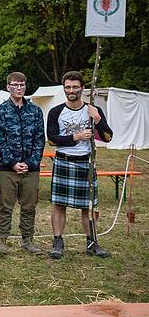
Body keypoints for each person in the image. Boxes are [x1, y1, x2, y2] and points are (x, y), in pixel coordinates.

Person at [47, 71, 113, 259]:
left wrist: (98, 119)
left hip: (86, 162)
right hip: (64, 161)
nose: (71, 90)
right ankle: (57, 242)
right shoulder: (56, 112)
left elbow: (108, 137)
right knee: (59, 205)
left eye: (75, 87)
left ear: (82, 88)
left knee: (88, 206)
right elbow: (51, 140)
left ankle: (92, 243)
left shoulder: (93, 111)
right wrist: (76, 137)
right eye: (68, 87)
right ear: (64, 89)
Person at [0, 72, 45, 255]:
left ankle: (27, 240)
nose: (19, 88)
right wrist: (12, 162)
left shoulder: (35, 111)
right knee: (5, 205)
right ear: (8, 87)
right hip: (7, 168)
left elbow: (39, 140)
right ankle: (2, 240)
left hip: (31, 168)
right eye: (15, 85)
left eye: (22, 85)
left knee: (29, 206)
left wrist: (30, 162)